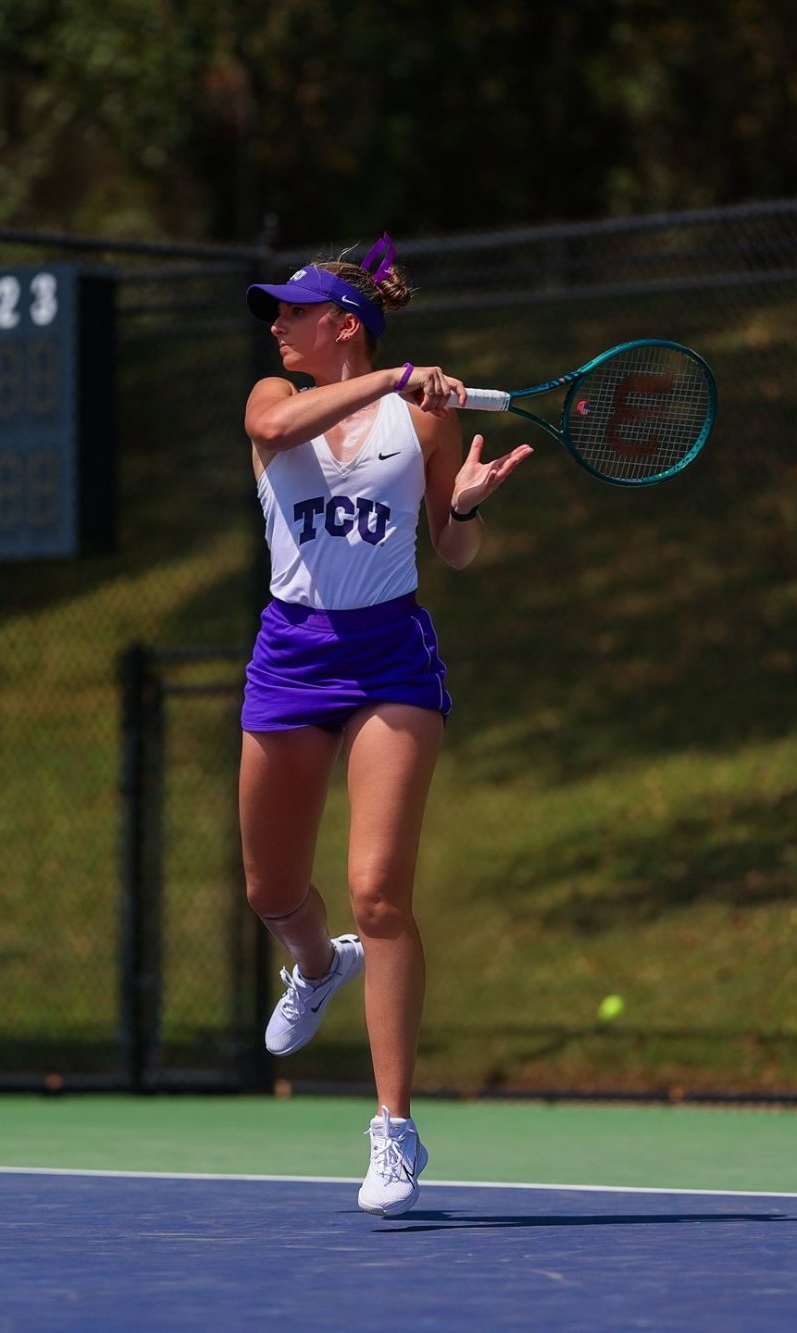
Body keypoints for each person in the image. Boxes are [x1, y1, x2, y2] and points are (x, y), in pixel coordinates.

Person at [239, 236, 532, 1218]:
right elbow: (283, 426)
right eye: (273, 312)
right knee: (270, 889)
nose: (275, 324)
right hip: (289, 656)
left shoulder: (420, 417)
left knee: (376, 892)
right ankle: (316, 967)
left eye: (290, 309)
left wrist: (463, 505)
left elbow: (451, 549)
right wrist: (397, 377)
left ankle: (393, 1127)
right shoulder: (267, 402)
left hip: (390, 659)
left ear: (341, 324)